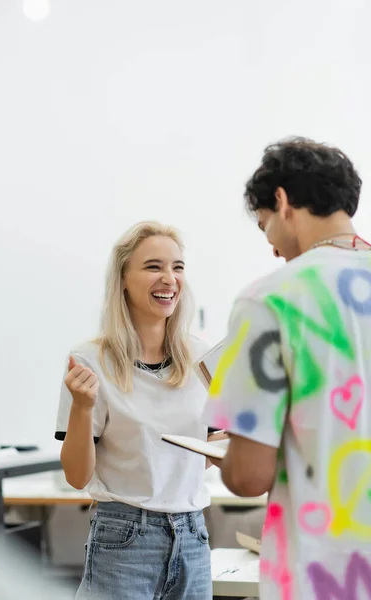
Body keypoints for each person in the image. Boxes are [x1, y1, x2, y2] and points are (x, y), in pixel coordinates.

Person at [205, 137, 371, 600]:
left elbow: (248, 477)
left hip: (323, 573)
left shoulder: (270, 298)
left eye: (265, 228)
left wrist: (231, 451)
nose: (275, 250)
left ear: (281, 201)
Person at [55, 221, 220, 600]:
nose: (170, 279)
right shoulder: (89, 360)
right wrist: (82, 408)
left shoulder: (201, 357)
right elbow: (78, 477)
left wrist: (240, 443)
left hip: (193, 535)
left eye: (177, 267)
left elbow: (201, 455)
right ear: (123, 279)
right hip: (124, 537)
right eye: (153, 266)